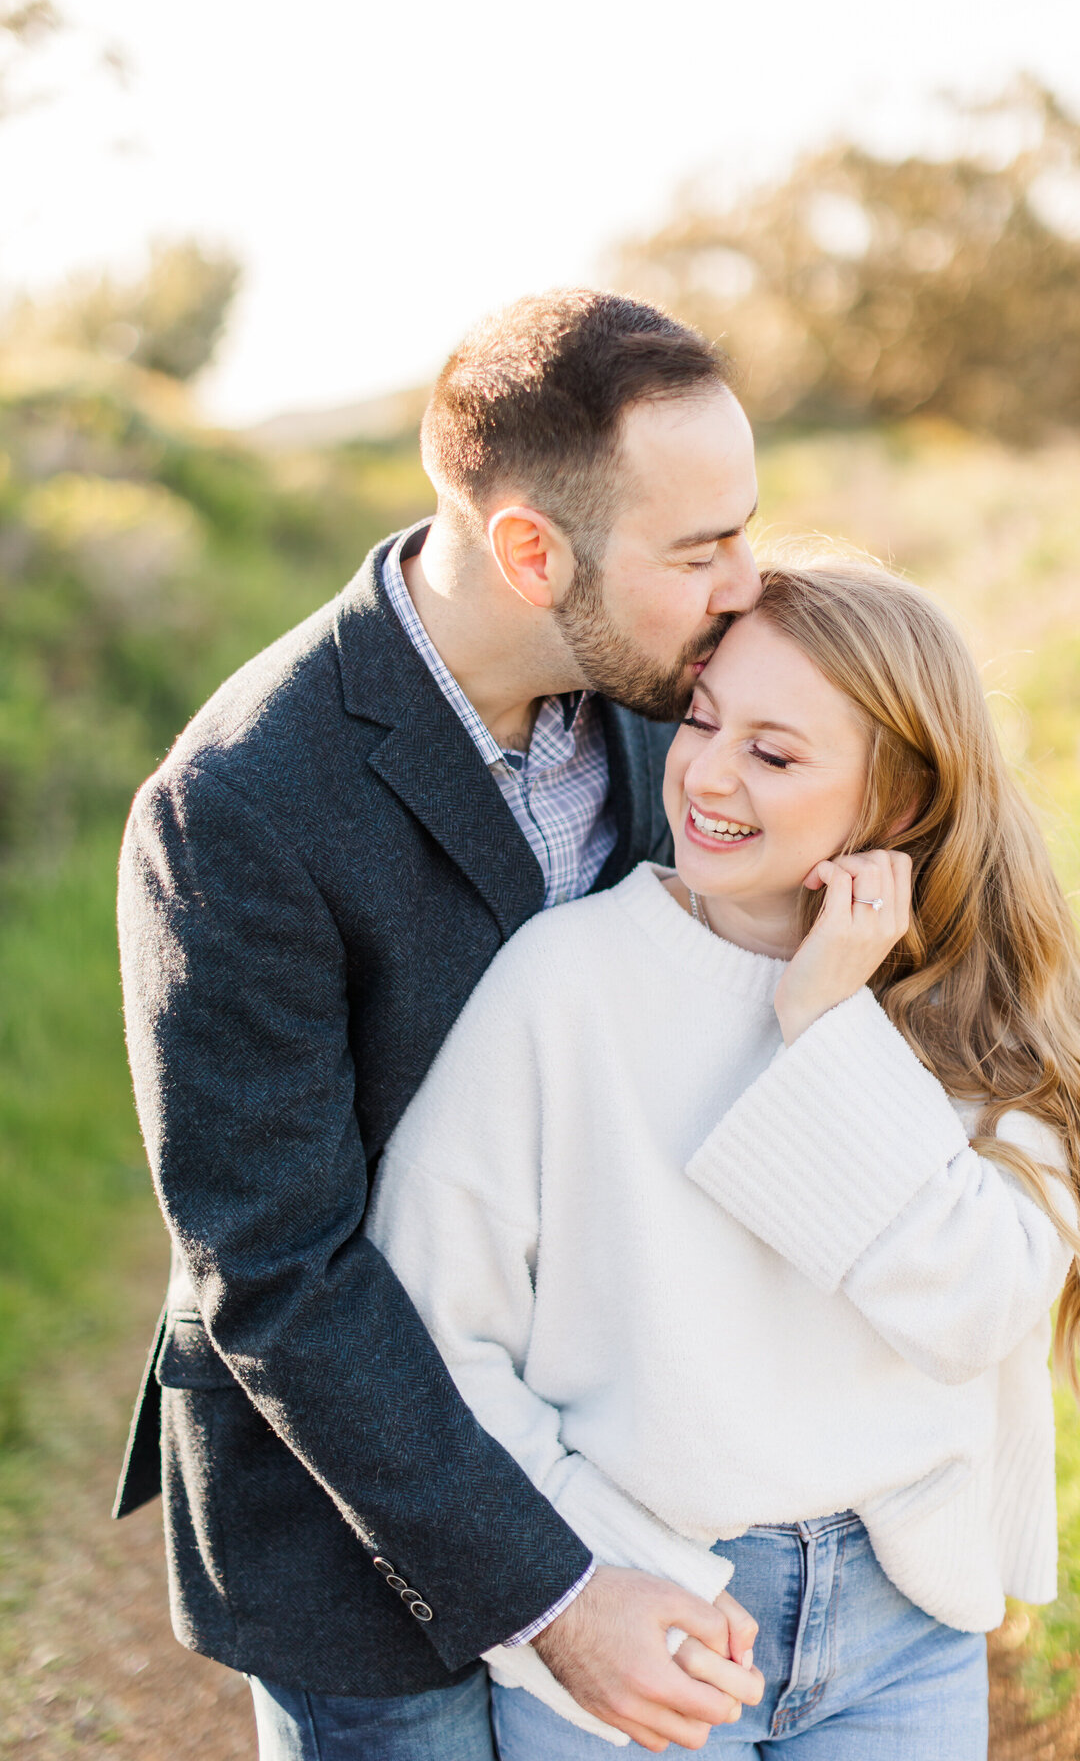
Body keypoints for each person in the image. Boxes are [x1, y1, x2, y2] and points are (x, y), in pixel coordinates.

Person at [367, 541, 1080, 1758]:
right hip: (648, 1604)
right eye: (703, 721)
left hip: (899, 1628)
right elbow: (438, 1331)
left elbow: (970, 1308)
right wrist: (591, 1578)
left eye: (774, 752)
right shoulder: (565, 988)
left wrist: (822, 1025)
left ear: (900, 803)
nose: (705, 773)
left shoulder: (978, 1013)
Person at [113, 289, 769, 1760]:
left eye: (745, 526)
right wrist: (551, 1596)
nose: (747, 581)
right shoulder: (235, 806)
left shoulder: (685, 706)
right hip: (357, 1541)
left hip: (636, 1468)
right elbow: (276, 1270)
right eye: (700, 548)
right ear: (533, 552)